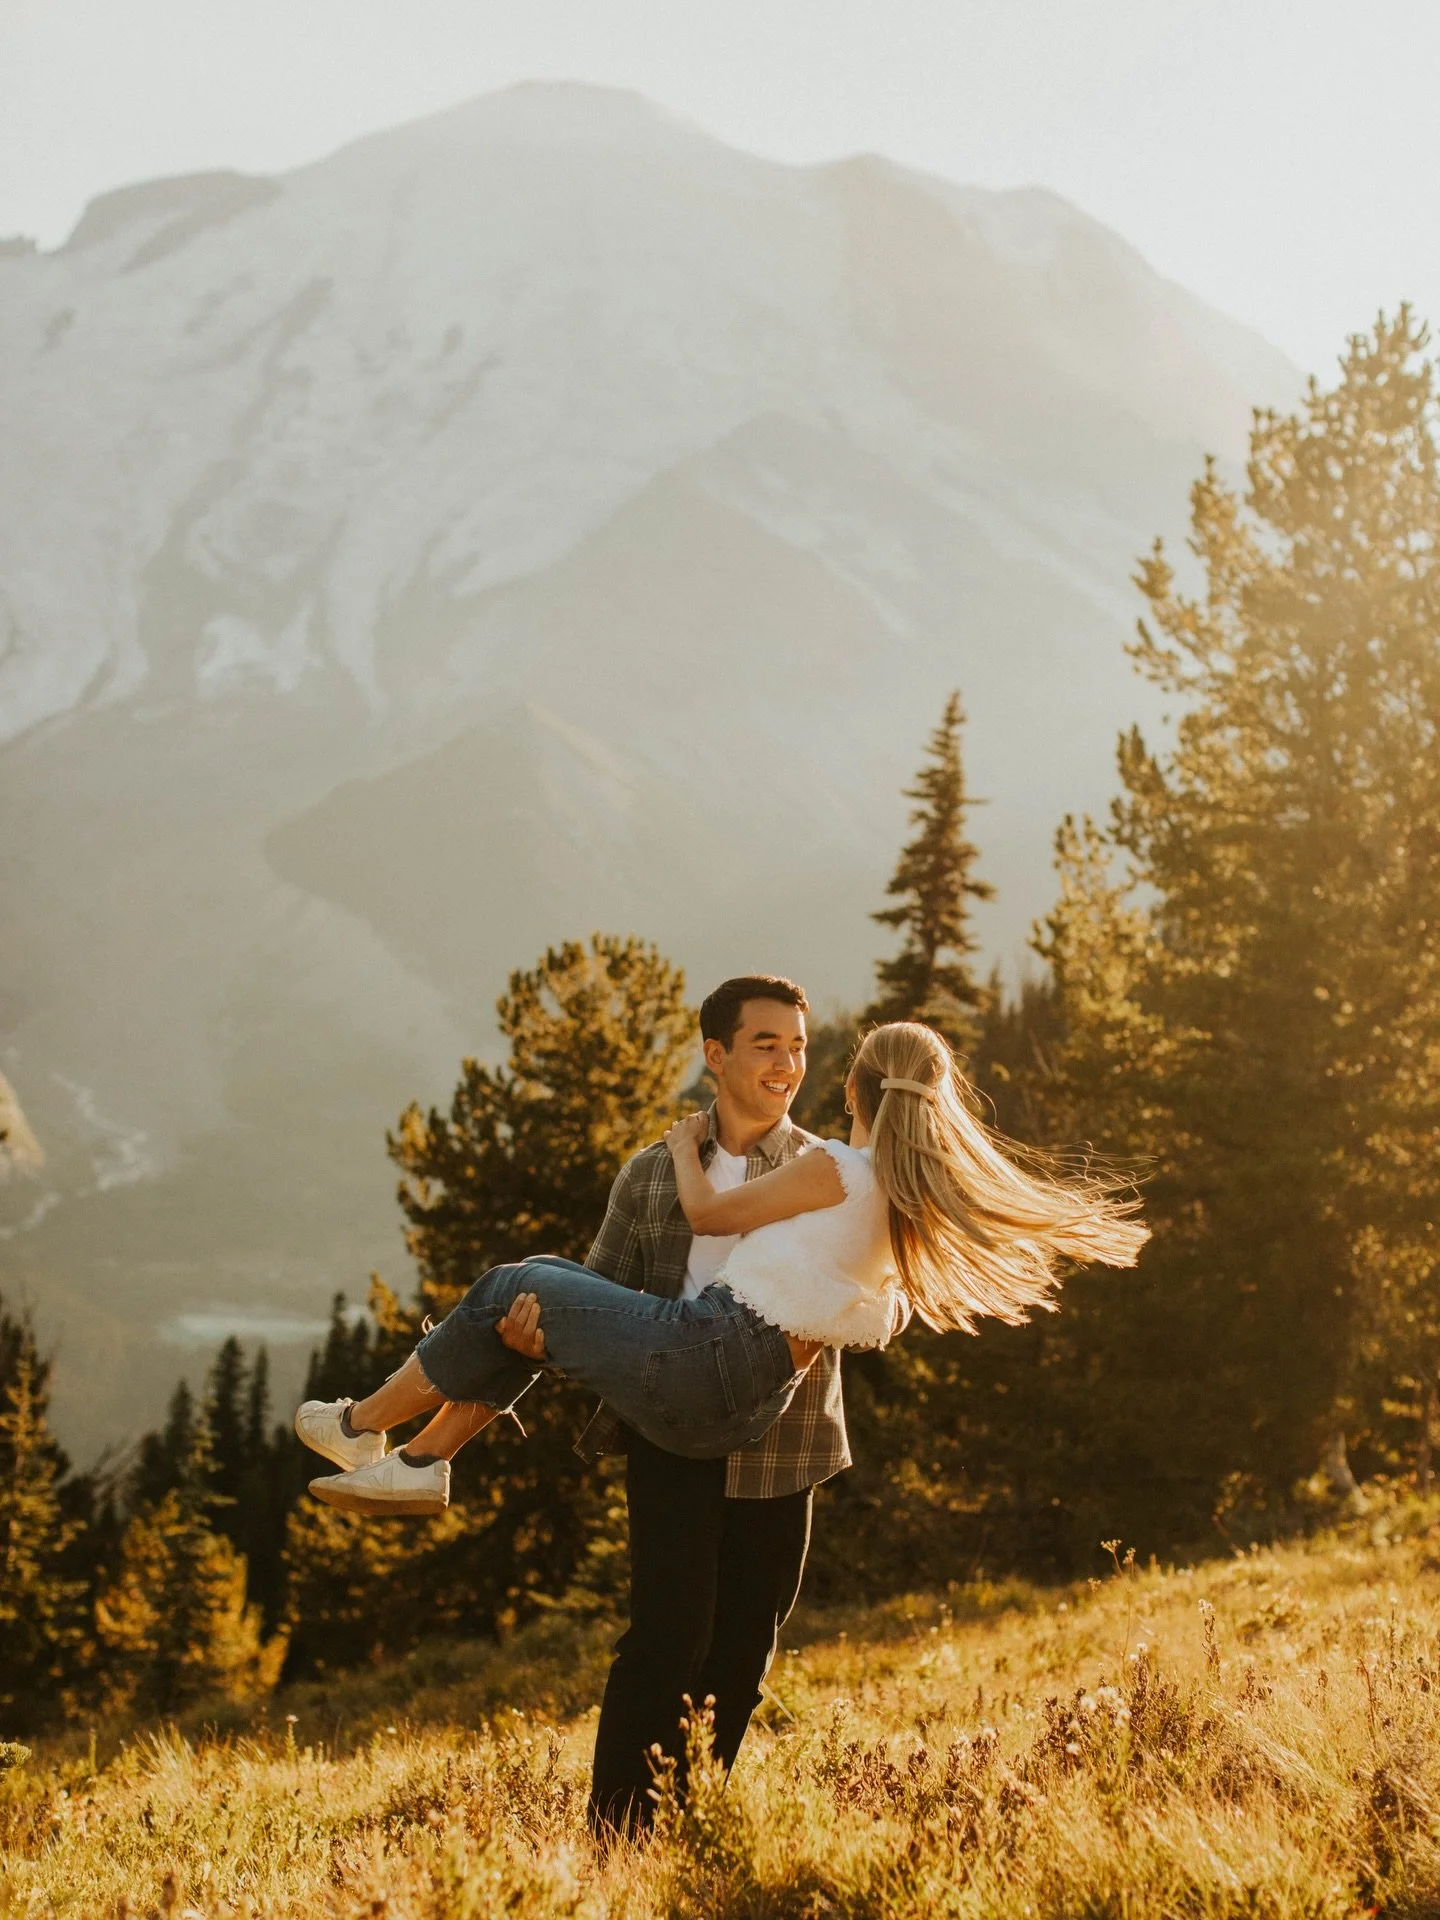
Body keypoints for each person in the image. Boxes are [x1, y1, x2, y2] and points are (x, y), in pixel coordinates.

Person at [296, 1010, 1147, 1820]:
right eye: (767, 1044)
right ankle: (416, 1464)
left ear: (851, 1088)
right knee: (537, 1295)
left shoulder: (828, 1168)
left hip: (714, 1367)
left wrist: (679, 1148)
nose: (786, 1062)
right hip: (725, 1390)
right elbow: (811, 1304)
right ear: (720, 1052)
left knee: (504, 1288)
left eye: (802, 1047)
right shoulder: (901, 1198)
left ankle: (365, 1427)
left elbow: (706, 1214)